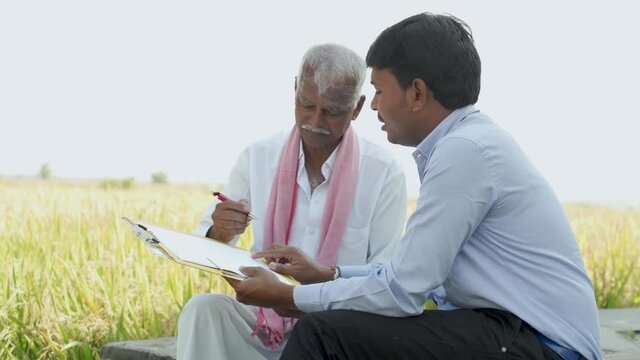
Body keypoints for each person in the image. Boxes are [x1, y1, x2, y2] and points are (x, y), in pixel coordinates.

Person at [228, 13, 603, 360]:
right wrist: (330, 275)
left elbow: (402, 291)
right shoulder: (465, 142)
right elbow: (410, 271)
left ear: (417, 93)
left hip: (543, 344)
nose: (373, 106)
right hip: (507, 330)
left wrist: (290, 294)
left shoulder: (464, 151)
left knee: (322, 334)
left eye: (378, 89)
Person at [176, 43, 408, 360]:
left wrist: (308, 290)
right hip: (264, 319)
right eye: (306, 104)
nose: (316, 120)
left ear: (357, 108)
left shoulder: (384, 173)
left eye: (333, 111)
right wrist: (218, 231)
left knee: (320, 330)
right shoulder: (258, 156)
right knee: (203, 310)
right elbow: (209, 242)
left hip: (338, 329)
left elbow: (384, 278)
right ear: (295, 89)